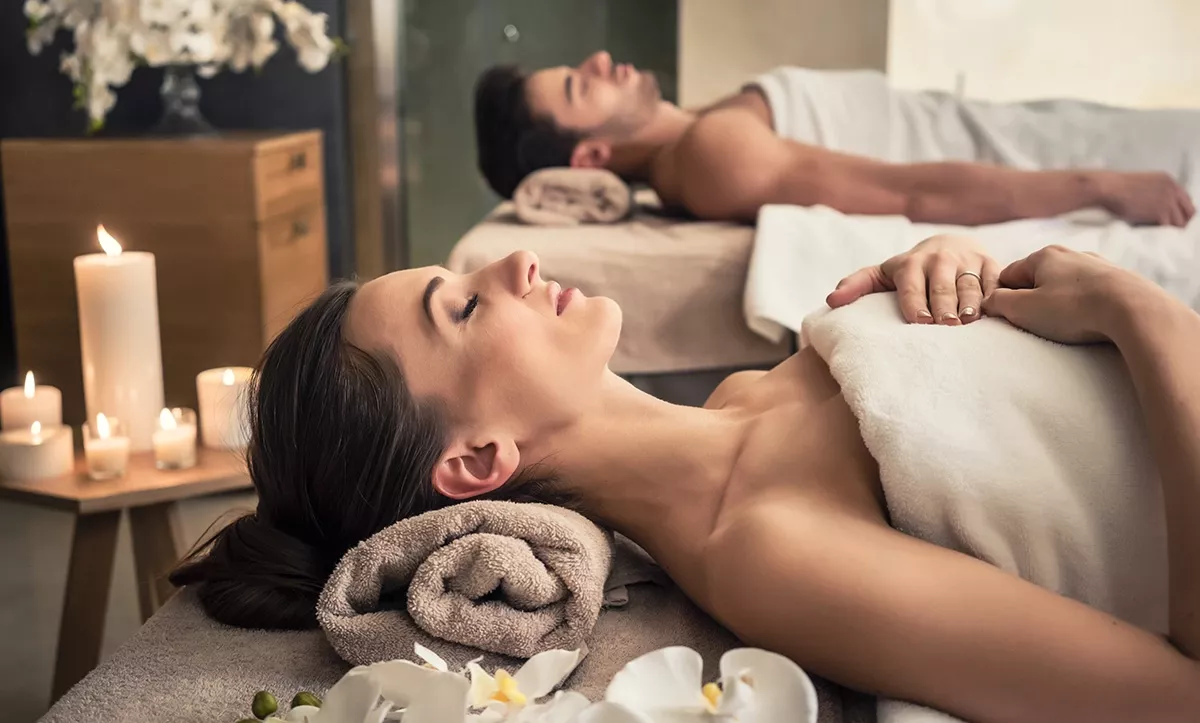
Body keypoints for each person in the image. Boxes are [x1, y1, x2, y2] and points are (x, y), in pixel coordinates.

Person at [171, 234, 1200, 721]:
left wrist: (958, 274)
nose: (516, 264)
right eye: (469, 308)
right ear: (479, 462)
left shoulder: (749, 398)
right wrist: (1136, 311)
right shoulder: (763, 549)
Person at [473, 51, 1198, 228]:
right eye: (580, 87)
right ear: (592, 156)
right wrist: (1101, 186)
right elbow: (909, 192)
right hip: (1065, 165)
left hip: (1038, 131)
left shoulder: (704, 126)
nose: (600, 61)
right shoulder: (711, 157)